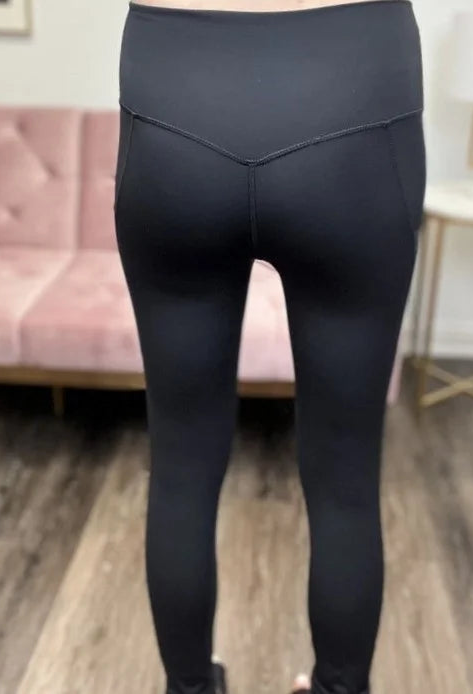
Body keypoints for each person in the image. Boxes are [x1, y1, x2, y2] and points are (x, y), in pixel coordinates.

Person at [113, 1, 426, 693]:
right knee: (346, 477)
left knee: (180, 467)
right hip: (357, 93)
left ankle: (190, 689)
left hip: (173, 90)